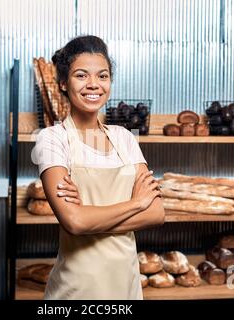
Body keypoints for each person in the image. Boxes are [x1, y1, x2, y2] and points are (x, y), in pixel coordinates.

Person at [33, 35, 164, 300]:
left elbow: (157, 213)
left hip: (126, 288)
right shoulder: (52, 139)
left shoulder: (125, 138)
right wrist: (136, 204)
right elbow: (74, 221)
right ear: (63, 83)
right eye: (81, 76)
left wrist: (90, 217)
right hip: (76, 290)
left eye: (102, 76)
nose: (93, 84)